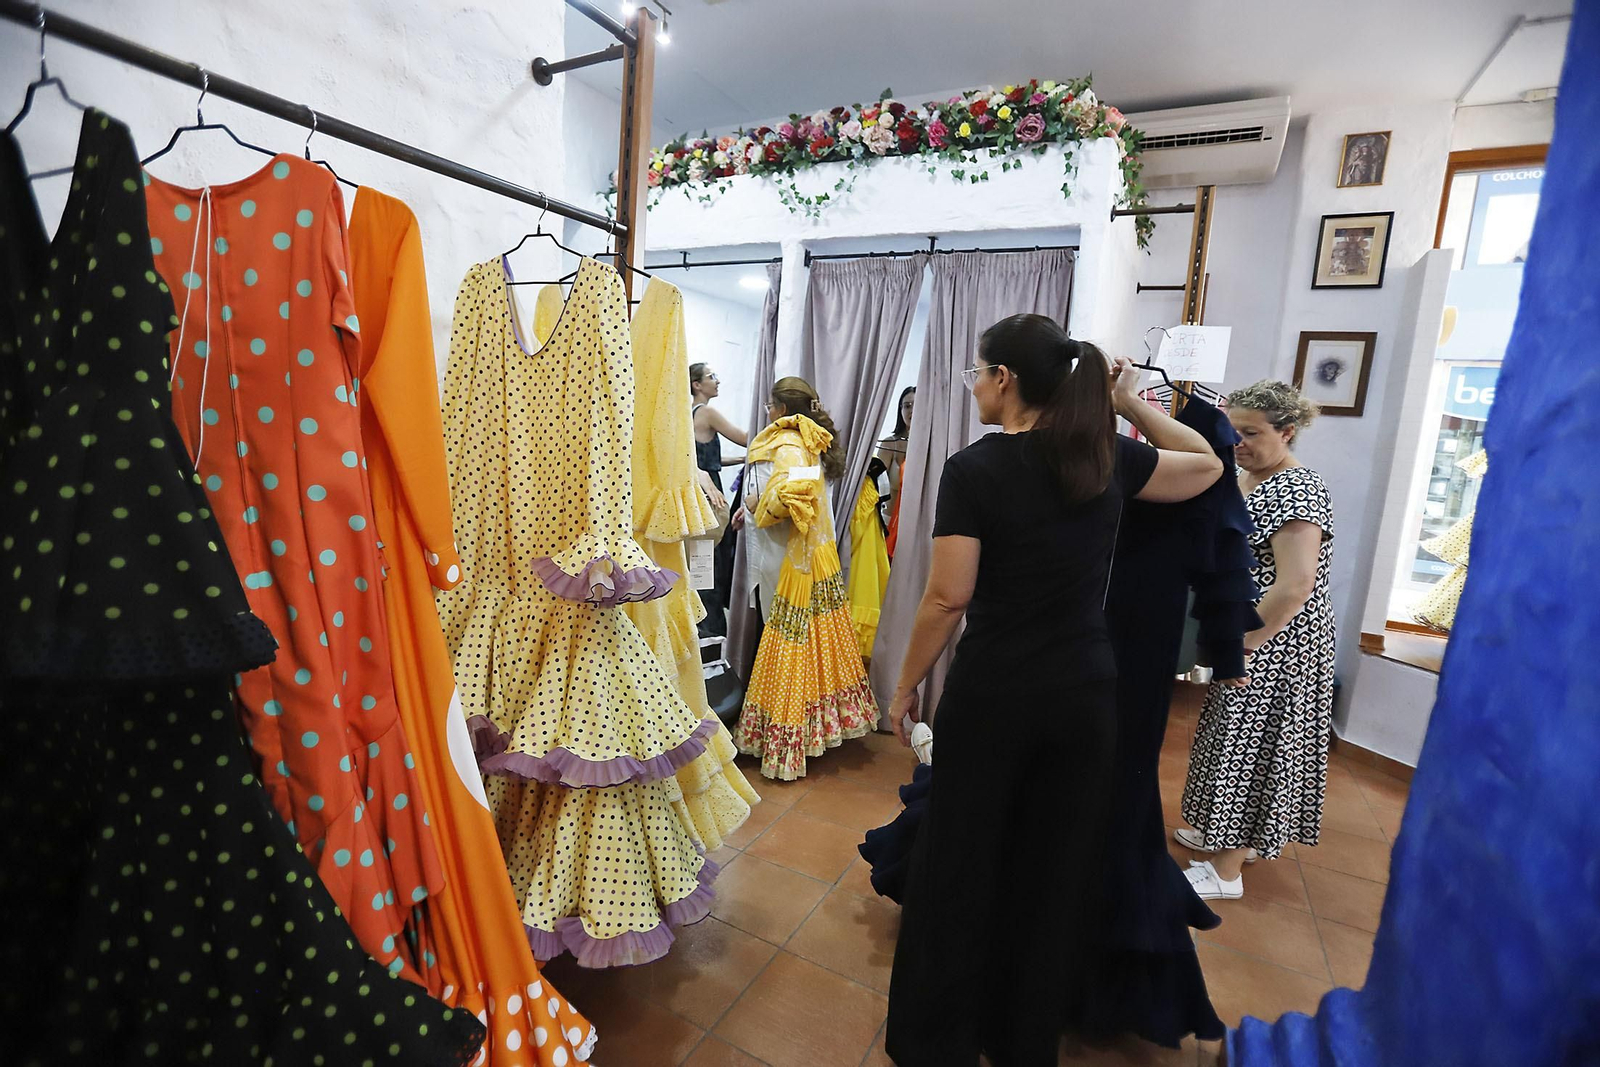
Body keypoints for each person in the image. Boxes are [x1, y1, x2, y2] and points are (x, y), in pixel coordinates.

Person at [883, 315, 1225, 1066]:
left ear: (1004, 378)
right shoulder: (1101, 459)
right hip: (1082, 694)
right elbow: (1205, 463)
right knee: (1050, 871)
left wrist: (903, 683)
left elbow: (947, 598)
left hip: (996, 690)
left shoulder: (975, 470)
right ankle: (1020, 1038)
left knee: (962, 861)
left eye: (977, 370)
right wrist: (1128, 401)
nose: (972, 382)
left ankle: (936, 1039)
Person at [1178, 380, 1336, 901]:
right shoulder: (1246, 477)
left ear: (1287, 432)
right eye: (1233, 431)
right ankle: (1220, 835)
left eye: (1251, 433)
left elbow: (1294, 585)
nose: (1238, 442)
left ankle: (1226, 872)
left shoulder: (1299, 490)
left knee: (1254, 746)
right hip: (1248, 629)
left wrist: (1246, 640)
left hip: (1280, 639)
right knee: (1227, 737)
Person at [734, 377, 879, 780]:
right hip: (806, 559)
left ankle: (788, 740)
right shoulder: (811, 442)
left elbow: (787, 499)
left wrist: (753, 504)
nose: (766, 413)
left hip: (788, 565)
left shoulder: (790, 446)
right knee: (805, 652)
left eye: (769, 406)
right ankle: (806, 731)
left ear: (781, 409)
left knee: (788, 653)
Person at [691, 362, 747, 635]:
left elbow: (706, 458)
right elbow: (746, 437)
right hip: (710, 498)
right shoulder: (708, 412)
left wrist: (740, 460)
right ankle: (710, 630)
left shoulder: (689, 415)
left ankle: (700, 628)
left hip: (696, 497)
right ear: (697, 385)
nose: (718, 381)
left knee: (700, 566)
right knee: (711, 567)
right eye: (712, 376)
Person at [878, 386, 916, 558]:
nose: (911, 410)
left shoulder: (934, 443)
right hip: (889, 524)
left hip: (918, 525)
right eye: (907, 405)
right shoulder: (889, 444)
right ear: (900, 410)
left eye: (916, 404)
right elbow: (875, 485)